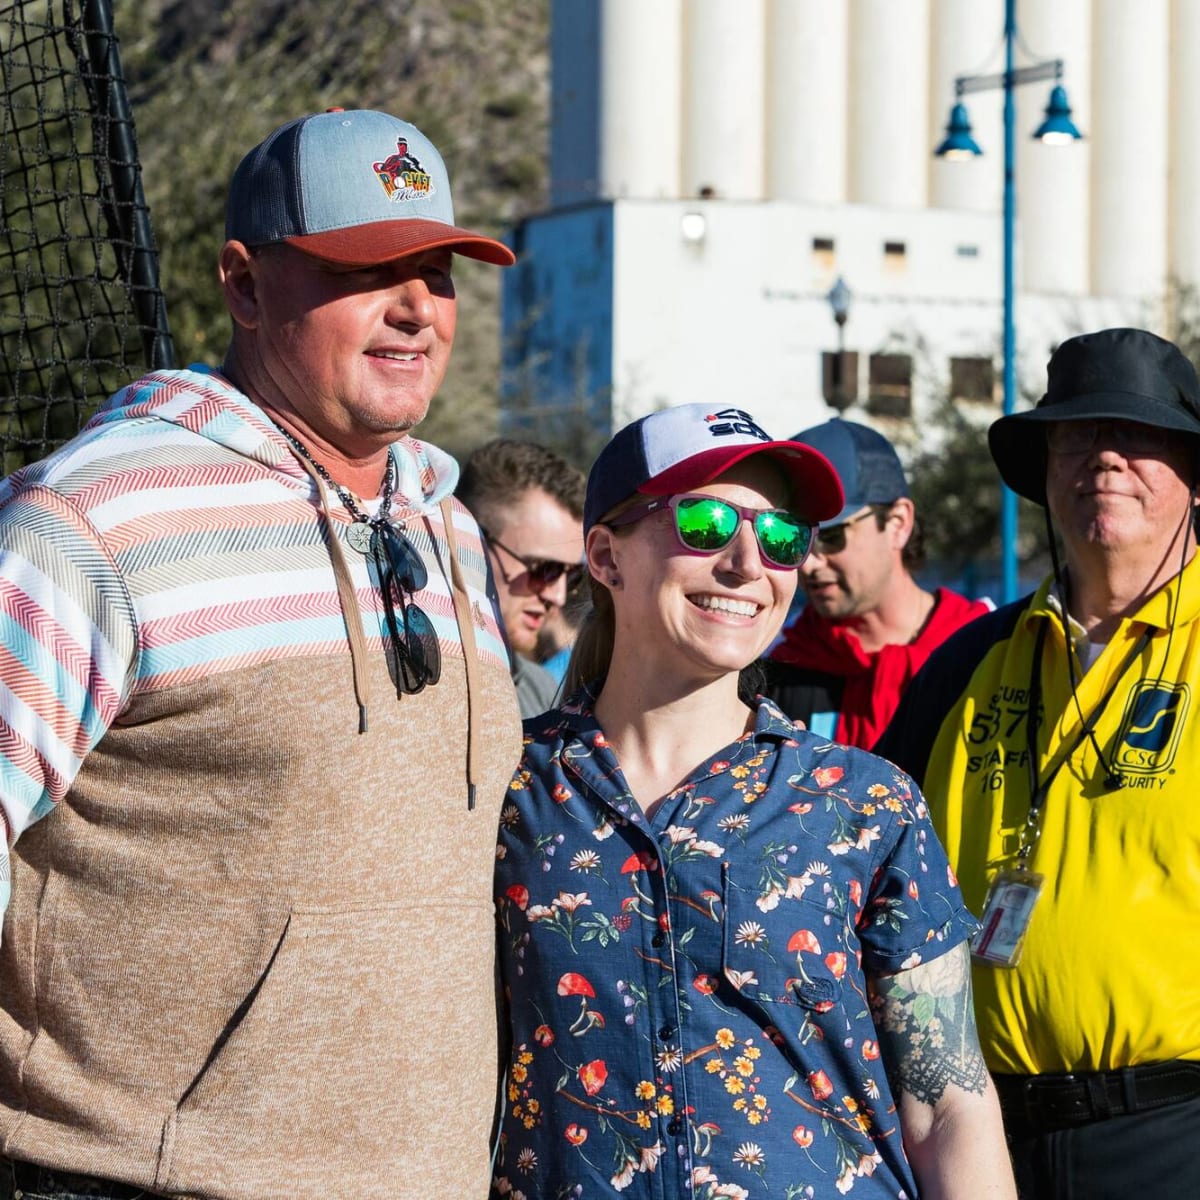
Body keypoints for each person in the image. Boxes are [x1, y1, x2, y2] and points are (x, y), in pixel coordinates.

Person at [0, 108, 522, 1200]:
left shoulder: (453, 530)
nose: (418, 307)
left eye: (439, 270)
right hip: (130, 1178)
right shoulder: (93, 516)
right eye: (368, 268)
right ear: (244, 285)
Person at [492, 403, 1016, 1199]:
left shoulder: (866, 804)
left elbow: (949, 1105)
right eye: (705, 522)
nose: (748, 562)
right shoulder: (505, 789)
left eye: (781, 538)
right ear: (604, 555)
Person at [876, 328, 1200, 1200]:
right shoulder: (966, 662)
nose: (1104, 457)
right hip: (982, 1138)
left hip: (1177, 1132)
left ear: (1195, 477)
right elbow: (867, 877)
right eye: (1075, 436)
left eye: (1140, 437)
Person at [765, 419, 989, 747]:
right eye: (794, 538)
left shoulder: (987, 652)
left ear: (898, 523)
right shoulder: (774, 667)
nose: (809, 563)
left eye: (831, 536)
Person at [457, 438, 586, 717]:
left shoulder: (546, 694)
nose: (558, 596)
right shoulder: (404, 677)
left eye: (572, 576)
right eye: (544, 569)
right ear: (472, 542)